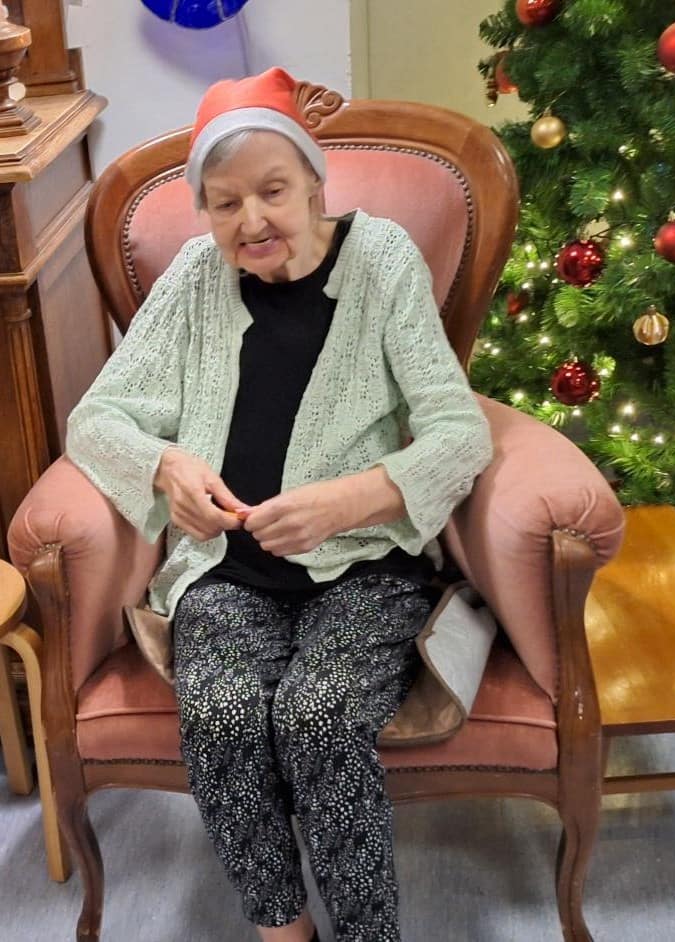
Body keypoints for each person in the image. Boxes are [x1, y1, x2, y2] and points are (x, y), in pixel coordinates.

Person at [65, 67, 493, 942]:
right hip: (226, 573)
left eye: (272, 192)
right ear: (204, 212)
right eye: (224, 204)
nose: (251, 221)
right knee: (220, 715)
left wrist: (354, 499)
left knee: (317, 716)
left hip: (367, 570)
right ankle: (282, 930)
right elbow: (96, 420)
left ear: (313, 183)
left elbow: (460, 432)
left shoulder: (380, 261)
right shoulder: (194, 278)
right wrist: (165, 467)